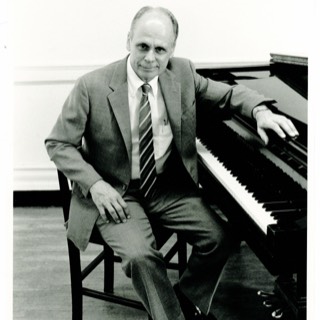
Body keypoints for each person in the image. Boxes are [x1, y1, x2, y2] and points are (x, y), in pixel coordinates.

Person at [45, 6, 299, 320]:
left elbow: (230, 94)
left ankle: (185, 301)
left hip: (167, 189)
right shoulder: (91, 86)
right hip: (116, 192)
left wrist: (260, 111)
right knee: (141, 257)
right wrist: (95, 185)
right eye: (142, 46)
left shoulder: (182, 73)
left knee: (222, 239)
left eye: (160, 49)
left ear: (172, 51)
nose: (150, 58)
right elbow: (58, 143)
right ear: (128, 40)